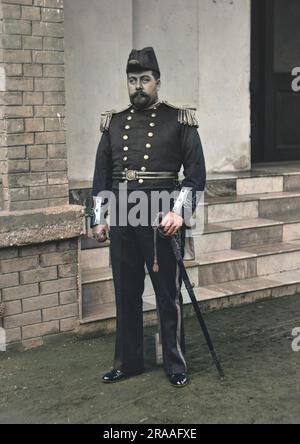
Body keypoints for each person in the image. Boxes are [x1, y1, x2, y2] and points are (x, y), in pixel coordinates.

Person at [91, 47, 206, 387]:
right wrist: (98, 218)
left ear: (157, 81)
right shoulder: (114, 123)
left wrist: (179, 213)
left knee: (167, 295)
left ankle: (174, 363)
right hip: (123, 215)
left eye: (144, 79)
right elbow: (101, 176)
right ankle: (129, 362)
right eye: (132, 80)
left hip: (160, 216)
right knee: (125, 292)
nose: (138, 86)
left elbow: (196, 175)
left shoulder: (179, 119)